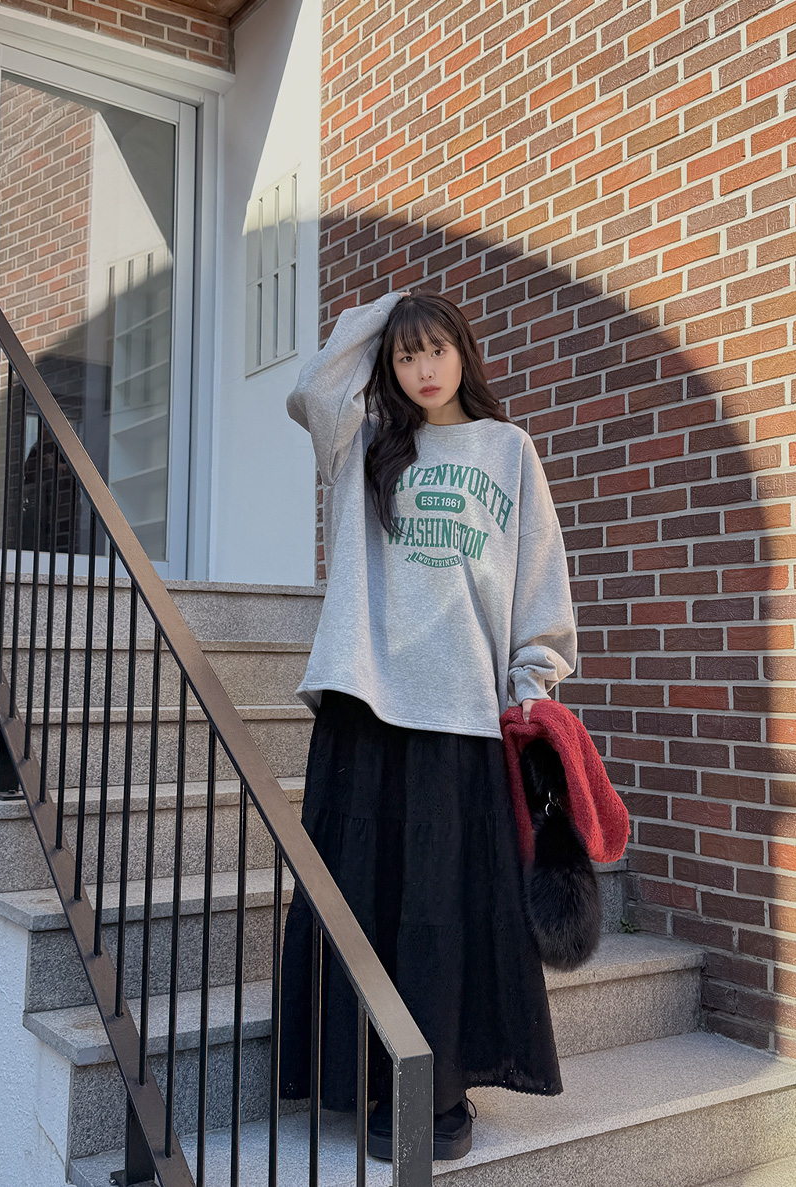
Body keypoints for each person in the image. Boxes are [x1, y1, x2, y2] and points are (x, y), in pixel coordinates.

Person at [277, 288, 577, 1162]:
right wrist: (391, 312)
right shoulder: (364, 440)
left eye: (436, 348)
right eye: (406, 356)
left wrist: (531, 685)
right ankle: (364, 1078)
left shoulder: (508, 450)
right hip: (367, 699)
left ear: (464, 352)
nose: (423, 368)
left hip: (462, 710)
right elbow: (311, 388)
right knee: (362, 903)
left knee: (443, 913)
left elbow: (540, 577)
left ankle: (440, 1094)